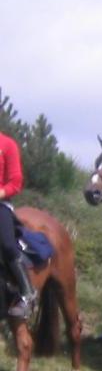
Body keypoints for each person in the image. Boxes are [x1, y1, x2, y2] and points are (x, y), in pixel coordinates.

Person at [0, 131, 37, 318]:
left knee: (7, 244)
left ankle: (27, 293)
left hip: (1, 204)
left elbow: (15, 182)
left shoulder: (7, 144)